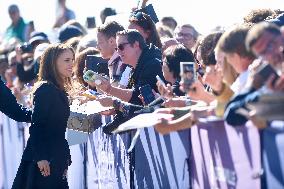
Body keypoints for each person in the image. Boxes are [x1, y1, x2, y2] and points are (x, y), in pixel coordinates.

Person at [12, 43, 74, 188]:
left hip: (54, 158)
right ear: (53, 63)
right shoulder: (46, 90)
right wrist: (41, 157)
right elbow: (37, 126)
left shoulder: (57, 89)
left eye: (72, 59)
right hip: (43, 161)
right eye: (66, 60)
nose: (72, 64)